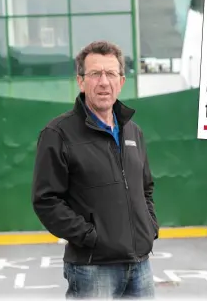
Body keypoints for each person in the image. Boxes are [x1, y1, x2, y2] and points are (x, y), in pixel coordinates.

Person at [31, 40, 159, 299]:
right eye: (95, 74)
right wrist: (90, 236)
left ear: (121, 81)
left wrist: (150, 226)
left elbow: (145, 188)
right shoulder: (58, 133)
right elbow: (46, 200)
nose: (104, 82)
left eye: (111, 74)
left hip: (140, 266)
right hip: (92, 268)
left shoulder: (133, 132)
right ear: (81, 81)